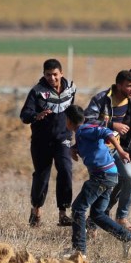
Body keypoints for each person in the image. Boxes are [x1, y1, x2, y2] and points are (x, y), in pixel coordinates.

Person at [64, 105, 131, 258]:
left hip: (102, 175)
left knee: (78, 209)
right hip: (109, 175)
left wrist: (120, 150)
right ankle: (129, 238)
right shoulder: (82, 133)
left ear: (69, 121)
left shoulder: (85, 130)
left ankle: (79, 251)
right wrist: (73, 149)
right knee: (97, 214)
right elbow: (88, 143)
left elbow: (107, 132)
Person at [20, 58, 76, 227]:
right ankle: (36, 209)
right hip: (41, 141)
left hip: (63, 139)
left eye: (55, 75)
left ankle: (63, 213)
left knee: (66, 170)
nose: (52, 78)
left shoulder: (71, 89)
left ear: (61, 73)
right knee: (42, 177)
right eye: (48, 75)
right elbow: (24, 115)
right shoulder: (37, 91)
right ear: (43, 75)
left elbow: (72, 113)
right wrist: (36, 116)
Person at [84, 70, 131, 231]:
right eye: (129, 86)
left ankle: (122, 216)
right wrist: (111, 125)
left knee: (130, 177)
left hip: (117, 149)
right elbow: (88, 121)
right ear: (118, 85)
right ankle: (92, 223)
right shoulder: (101, 99)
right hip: (100, 150)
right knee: (102, 187)